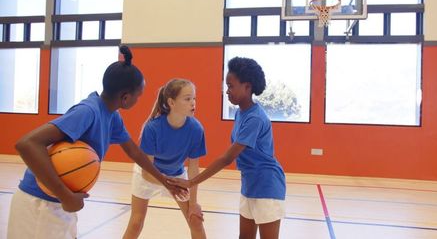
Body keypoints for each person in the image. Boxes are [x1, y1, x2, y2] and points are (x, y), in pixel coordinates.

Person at [7, 46, 186, 239]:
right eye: (138, 95)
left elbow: (134, 152)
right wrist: (64, 195)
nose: (138, 99)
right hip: (39, 204)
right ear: (125, 97)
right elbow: (27, 144)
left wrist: (164, 181)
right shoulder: (88, 111)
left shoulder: (112, 115)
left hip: (59, 202)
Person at [169, 57, 286, 239]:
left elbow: (227, 158)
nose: (227, 91)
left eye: (231, 86)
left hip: (267, 186)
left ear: (247, 87)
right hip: (250, 185)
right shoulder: (241, 113)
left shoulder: (255, 118)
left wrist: (191, 182)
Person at [123, 78, 207, 239]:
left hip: (176, 176)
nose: (193, 103)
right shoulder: (152, 128)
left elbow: (193, 169)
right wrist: (168, 185)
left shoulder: (196, 129)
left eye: (194, 98)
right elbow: (147, 171)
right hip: (148, 175)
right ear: (171, 102)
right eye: (187, 98)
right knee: (136, 223)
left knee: (195, 220)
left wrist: (194, 203)